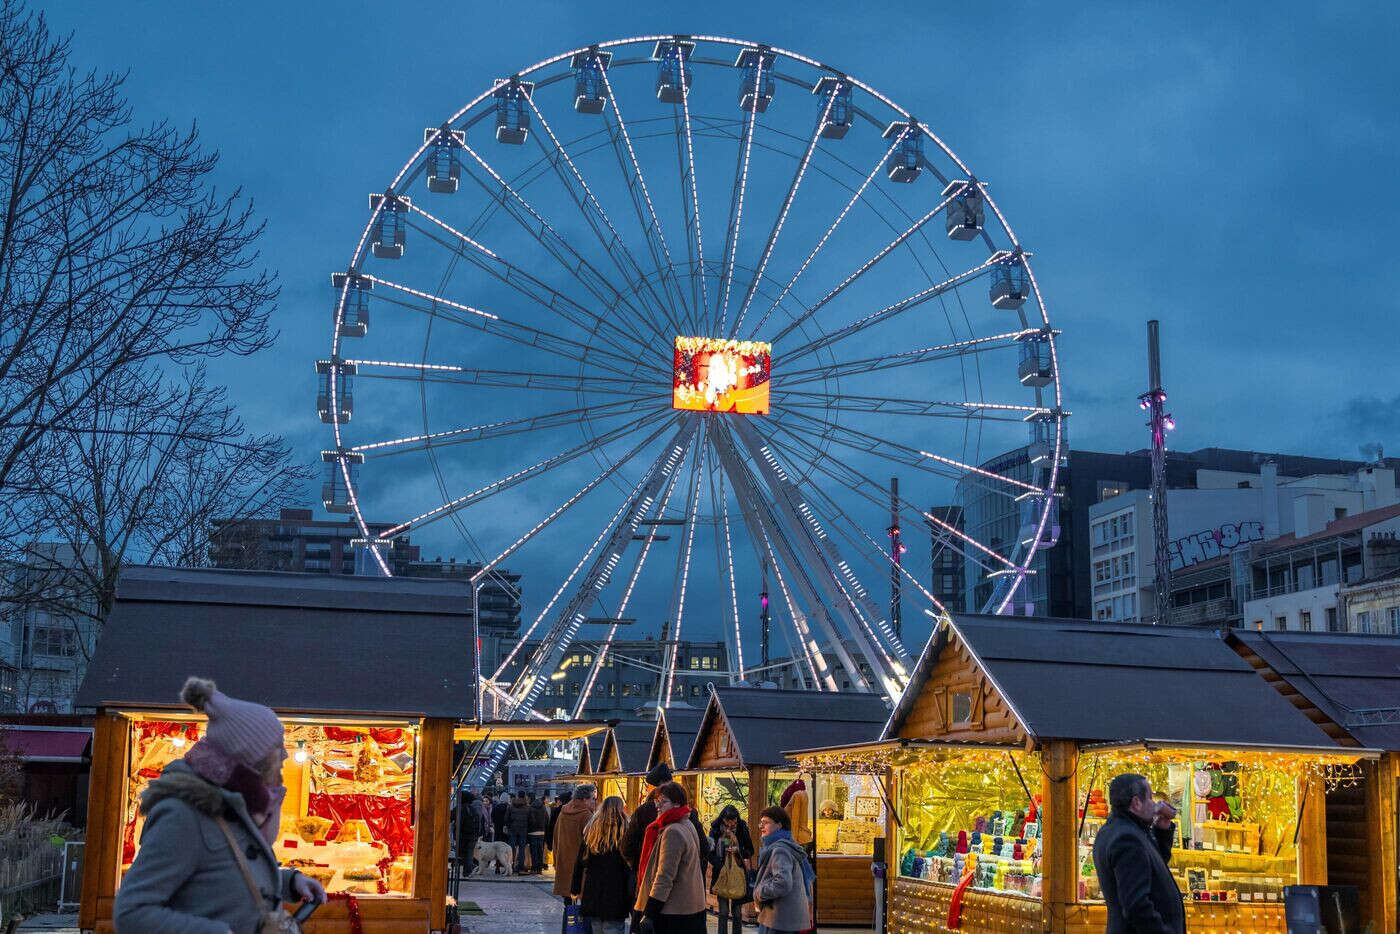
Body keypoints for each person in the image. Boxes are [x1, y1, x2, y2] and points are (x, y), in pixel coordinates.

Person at [114, 677, 326, 934]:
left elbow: (219, 879)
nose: (282, 760)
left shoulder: (231, 806)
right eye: (274, 752)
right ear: (249, 760)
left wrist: (290, 883)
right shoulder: (183, 815)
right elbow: (132, 913)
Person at [1092, 773, 1185, 934]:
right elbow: (1136, 905)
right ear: (1136, 803)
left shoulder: (1120, 831)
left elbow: (1152, 869)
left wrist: (1162, 830)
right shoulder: (1127, 839)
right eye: (1149, 798)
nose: (1154, 804)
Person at [634, 781, 707, 934]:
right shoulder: (687, 824)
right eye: (656, 801)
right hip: (690, 907)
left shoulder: (673, 831)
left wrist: (650, 913)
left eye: (663, 802)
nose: (658, 806)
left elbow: (665, 875)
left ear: (676, 804)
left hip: (673, 911)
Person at [571, 796, 633, 934]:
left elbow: (580, 862)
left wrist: (575, 888)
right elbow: (630, 865)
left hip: (594, 890)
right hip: (617, 891)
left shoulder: (592, 830)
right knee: (614, 928)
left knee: (596, 927)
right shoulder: (626, 830)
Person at [752, 806, 813, 934]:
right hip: (786, 918)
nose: (761, 826)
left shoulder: (780, 850)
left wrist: (759, 892)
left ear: (779, 825)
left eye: (766, 822)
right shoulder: (787, 845)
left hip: (778, 918)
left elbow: (783, 882)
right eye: (761, 823)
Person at [552, 785, 597, 929]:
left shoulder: (563, 812)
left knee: (569, 909)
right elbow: (592, 845)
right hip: (581, 872)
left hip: (565, 867)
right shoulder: (586, 816)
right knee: (584, 911)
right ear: (584, 799)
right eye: (593, 799)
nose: (594, 802)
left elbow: (555, 838)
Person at [707, 805, 755, 934]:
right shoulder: (715, 830)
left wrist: (738, 851)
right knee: (722, 911)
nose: (731, 824)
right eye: (728, 821)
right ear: (723, 819)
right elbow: (709, 852)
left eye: (734, 821)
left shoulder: (742, 828)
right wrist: (719, 865)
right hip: (721, 873)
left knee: (737, 912)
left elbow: (750, 850)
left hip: (738, 873)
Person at [456, 788, 484, 876]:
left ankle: (468, 868)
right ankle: (467, 870)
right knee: (469, 852)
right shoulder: (473, 809)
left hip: (461, 834)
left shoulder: (459, 808)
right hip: (472, 835)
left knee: (463, 853)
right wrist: (478, 833)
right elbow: (479, 821)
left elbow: (451, 817)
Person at [508, 792, 532, 873]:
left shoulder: (511, 806)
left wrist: (510, 826)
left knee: (511, 848)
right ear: (524, 796)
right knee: (522, 849)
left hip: (513, 830)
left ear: (517, 796)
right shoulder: (528, 807)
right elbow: (530, 820)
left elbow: (506, 819)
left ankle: (510, 865)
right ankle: (520, 866)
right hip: (523, 830)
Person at [528, 792, 550, 874]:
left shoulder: (530, 808)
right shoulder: (543, 808)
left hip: (532, 832)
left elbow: (529, 820)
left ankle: (534, 868)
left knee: (533, 851)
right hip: (542, 832)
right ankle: (539, 869)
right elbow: (547, 820)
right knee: (540, 850)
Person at [547, 789, 572, 859]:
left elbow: (551, 827)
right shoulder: (574, 811)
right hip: (570, 842)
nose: (557, 802)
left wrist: (549, 842)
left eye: (559, 800)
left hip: (558, 840)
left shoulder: (557, 811)